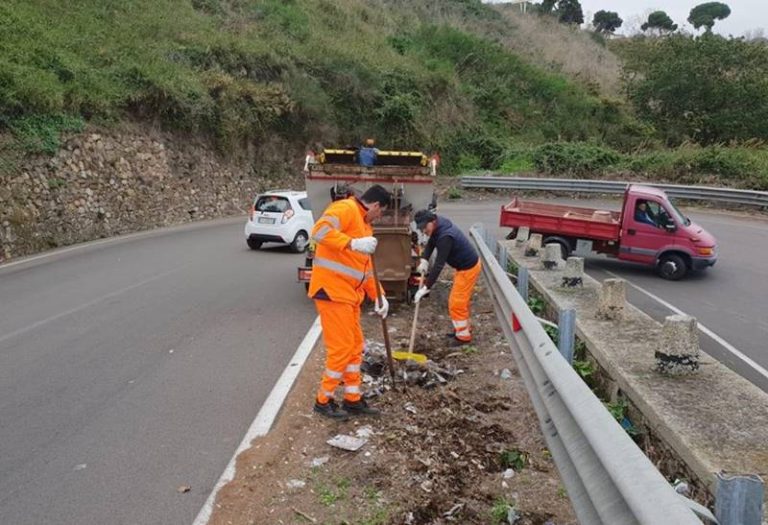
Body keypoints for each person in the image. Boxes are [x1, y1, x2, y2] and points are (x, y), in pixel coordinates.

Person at [308, 184, 393, 419]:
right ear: (375, 205)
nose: (380, 217)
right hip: (332, 292)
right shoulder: (345, 208)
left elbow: (365, 270)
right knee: (342, 349)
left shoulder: (365, 227)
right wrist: (351, 243)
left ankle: (352, 399)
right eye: (382, 212)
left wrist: (380, 296)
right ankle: (322, 401)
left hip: (349, 296)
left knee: (356, 348)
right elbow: (319, 231)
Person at [412, 210, 482, 345]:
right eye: (421, 229)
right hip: (463, 266)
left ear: (432, 222)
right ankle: (462, 329)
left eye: (424, 228)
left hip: (468, 269)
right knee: (460, 301)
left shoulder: (445, 236)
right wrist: (424, 260)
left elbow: (439, 265)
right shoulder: (438, 224)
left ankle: (463, 337)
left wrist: (426, 287)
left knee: (456, 303)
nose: (423, 231)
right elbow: (431, 242)